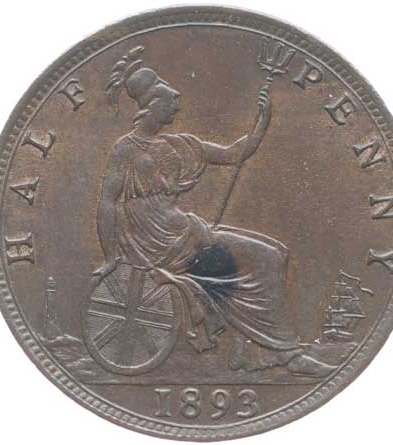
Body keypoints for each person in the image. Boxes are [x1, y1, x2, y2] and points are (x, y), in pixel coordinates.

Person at [92, 46, 335, 377]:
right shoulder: (125, 148)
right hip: (162, 246)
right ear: (152, 104)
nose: (177, 104)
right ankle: (287, 355)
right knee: (266, 258)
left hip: (184, 234)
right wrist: (110, 257)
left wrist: (262, 121)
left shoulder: (178, 145)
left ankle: (249, 350)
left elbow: (235, 154)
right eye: (170, 100)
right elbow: (107, 201)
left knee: (275, 252)